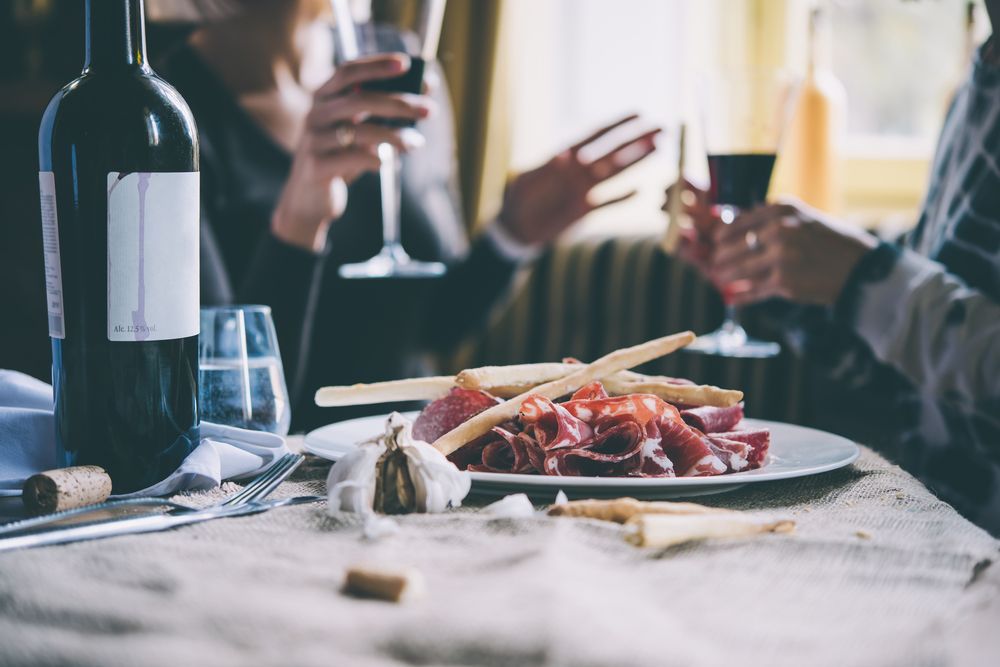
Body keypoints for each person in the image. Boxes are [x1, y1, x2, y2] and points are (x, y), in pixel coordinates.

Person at [156, 0, 659, 430]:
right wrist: (299, 220)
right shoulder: (161, 114)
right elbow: (222, 401)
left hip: (417, 452)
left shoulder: (398, 66)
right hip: (284, 474)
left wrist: (513, 235)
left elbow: (437, 326)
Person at [670, 2, 1000, 533]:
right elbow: (911, 372)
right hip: (918, 509)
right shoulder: (980, 78)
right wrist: (773, 283)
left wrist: (867, 277)